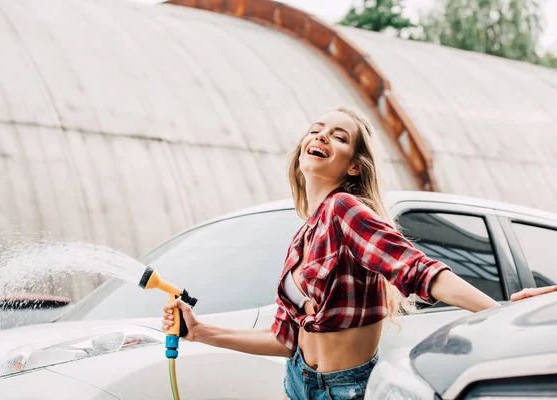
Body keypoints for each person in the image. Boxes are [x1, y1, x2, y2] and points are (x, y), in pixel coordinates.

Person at [162, 107, 500, 400]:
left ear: (354, 167)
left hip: (345, 389)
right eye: (315, 131)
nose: (322, 137)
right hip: (299, 381)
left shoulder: (344, 209)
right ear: (300, 152)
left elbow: (418, 270)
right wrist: (200, 332)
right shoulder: (301, 239)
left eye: (338, 137)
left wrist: (501, 317)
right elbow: (283, 340)